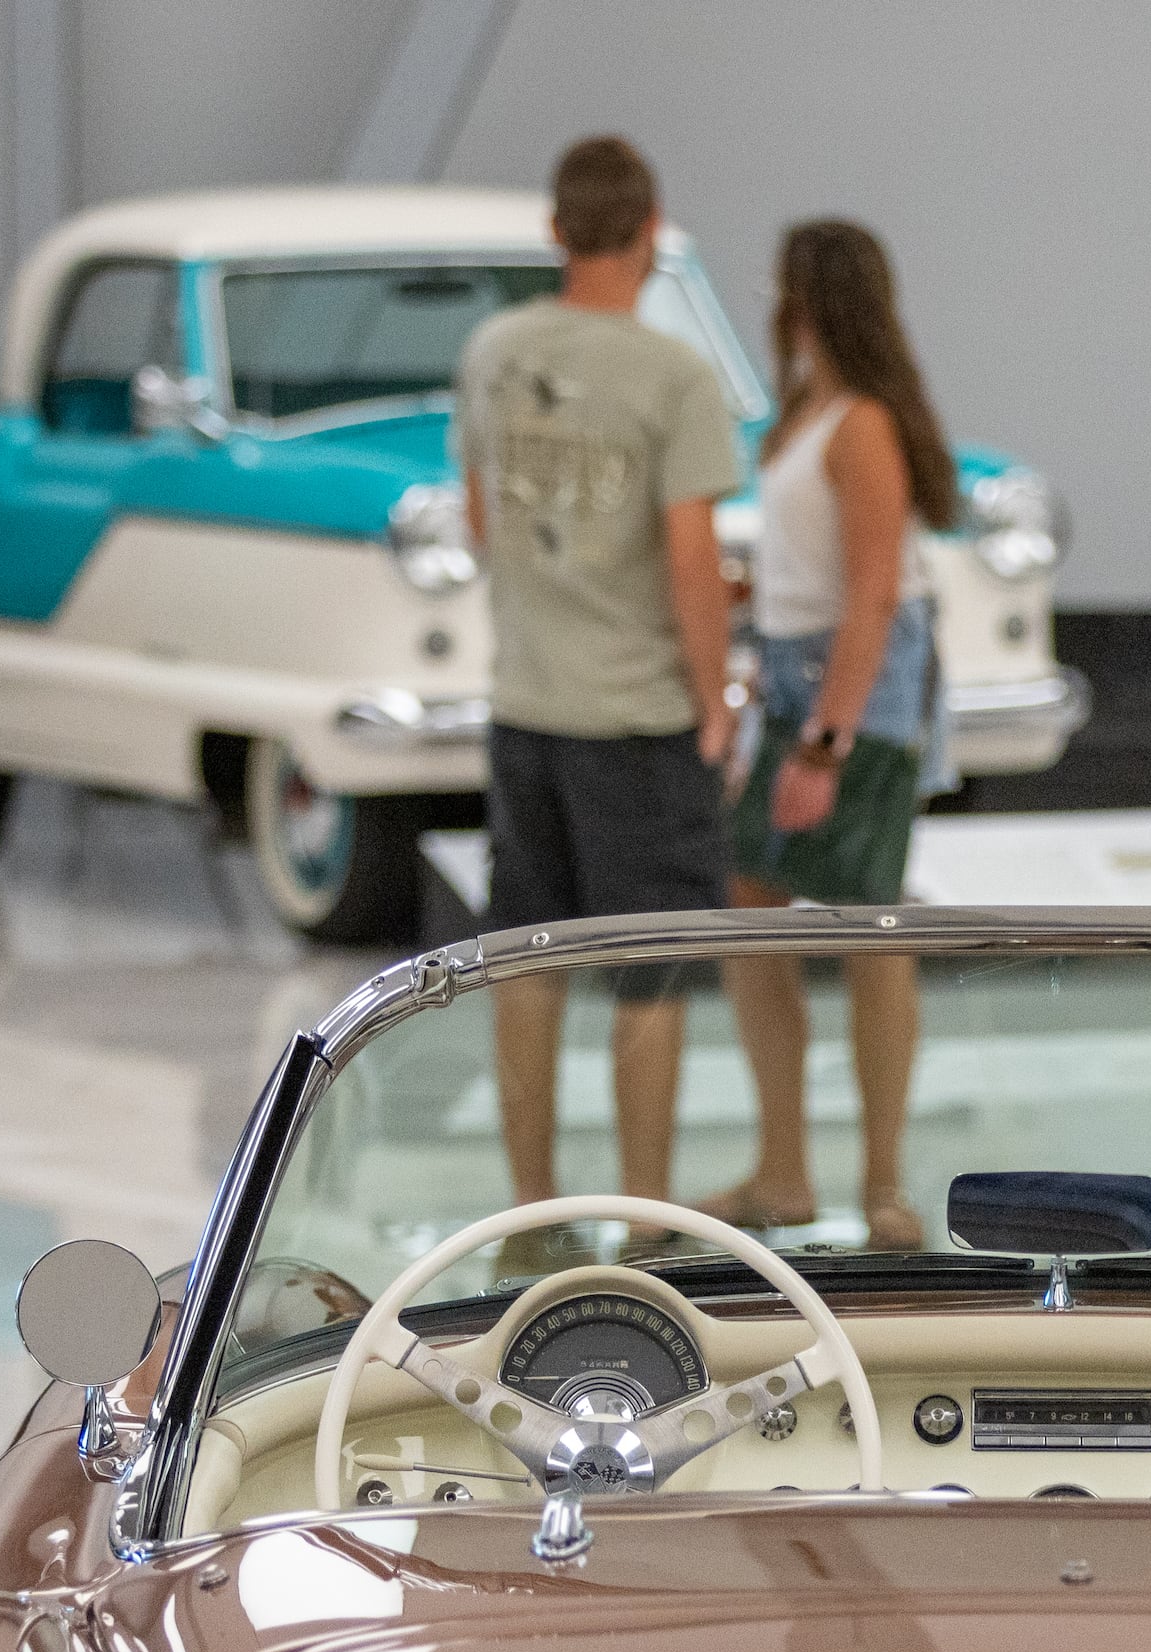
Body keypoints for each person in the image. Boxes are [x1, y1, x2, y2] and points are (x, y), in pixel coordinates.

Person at [455, 135, 747, 1268]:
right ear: (649, 228)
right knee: (650, 970)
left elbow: (481, 514)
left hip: (525, 703)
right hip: (635, 719)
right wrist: (715, 699)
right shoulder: (671, 377)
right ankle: (644, 1221)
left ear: (553, 229)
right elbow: (689, 557)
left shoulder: (491, 349)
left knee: (523, 958)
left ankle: (533, 1213)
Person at [699, 218, 956, 1252]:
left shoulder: (861, 425)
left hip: (856, 691)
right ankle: (784, 1167)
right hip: (796, 675)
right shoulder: (808, 413)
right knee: (754, 915)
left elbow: (877, 593)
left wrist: (825, 745)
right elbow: (816, 569)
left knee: (868, 929)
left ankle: (884, 1184)